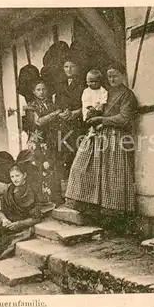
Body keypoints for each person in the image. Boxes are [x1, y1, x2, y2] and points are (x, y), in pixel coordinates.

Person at [64, 63, 138, 234]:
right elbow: (93, 105)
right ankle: (92, 210)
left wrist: (101, 120)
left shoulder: (127, 95)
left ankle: (114, 219)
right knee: (82, 166)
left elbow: (124, 118)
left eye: (115, 76)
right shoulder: (105, 91)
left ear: (123, 76)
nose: (112, 79)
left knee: (112, 175)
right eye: (109, 76)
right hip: (97, 134)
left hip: (115, 137)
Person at [24, 80, 64, 206]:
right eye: (38, 89)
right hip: (37, 141)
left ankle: (53, 198)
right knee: (40, 167)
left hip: (50, 139)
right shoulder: (31, 106)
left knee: (52, 166)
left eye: (44, 89)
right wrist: (54, 114)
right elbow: (39, 122)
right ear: (34, 92)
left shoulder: (50, 104)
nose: (41, 92)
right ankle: (41, 200)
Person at [54, 57, 86, 180]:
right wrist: (60, 113)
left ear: (77, 67)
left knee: (79, 153)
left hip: (79, 123)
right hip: (64, 123)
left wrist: (77, 112)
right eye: (66, 66)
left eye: (72, 66)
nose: (69, 69)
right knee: (65, 153)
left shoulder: (83, 83)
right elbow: (57, 103)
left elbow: (89, 102)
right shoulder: (60, 85)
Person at [81, 69, 108, 138]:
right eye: (91, 81)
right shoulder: (86, 91)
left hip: (98, 109)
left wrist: (102, 104)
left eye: (96, 81)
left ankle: (96, 127)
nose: (94, 83)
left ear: (100, 82)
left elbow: (104, 98)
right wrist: (89, 107)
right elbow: (85, 100)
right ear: (87, 82)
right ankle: (92, 130)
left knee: (100, 115)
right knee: (91, 116)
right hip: (89, 109)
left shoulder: (102, 90)